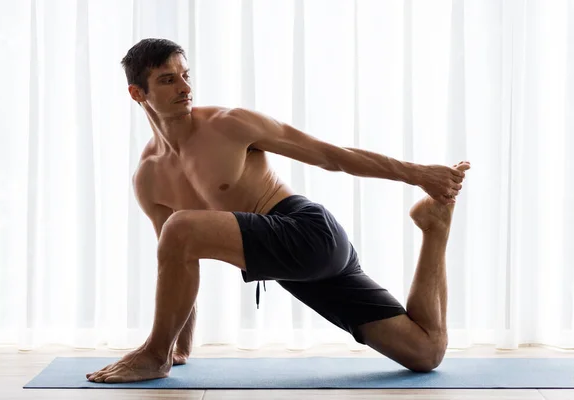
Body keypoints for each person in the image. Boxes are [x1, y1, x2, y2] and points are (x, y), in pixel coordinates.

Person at [86, 38, 470, 383]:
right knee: (425, 353)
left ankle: (153, 354)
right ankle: (434, 228)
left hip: (307, 232)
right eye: (168, 80)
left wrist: (417, 174)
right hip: (292, 268)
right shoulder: (149, 176)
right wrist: (179, 347)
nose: (185, 88)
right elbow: (175, 262)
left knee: (180, 226)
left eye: (186, 75)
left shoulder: (229, 124)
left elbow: (331, 156)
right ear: (138, 93)